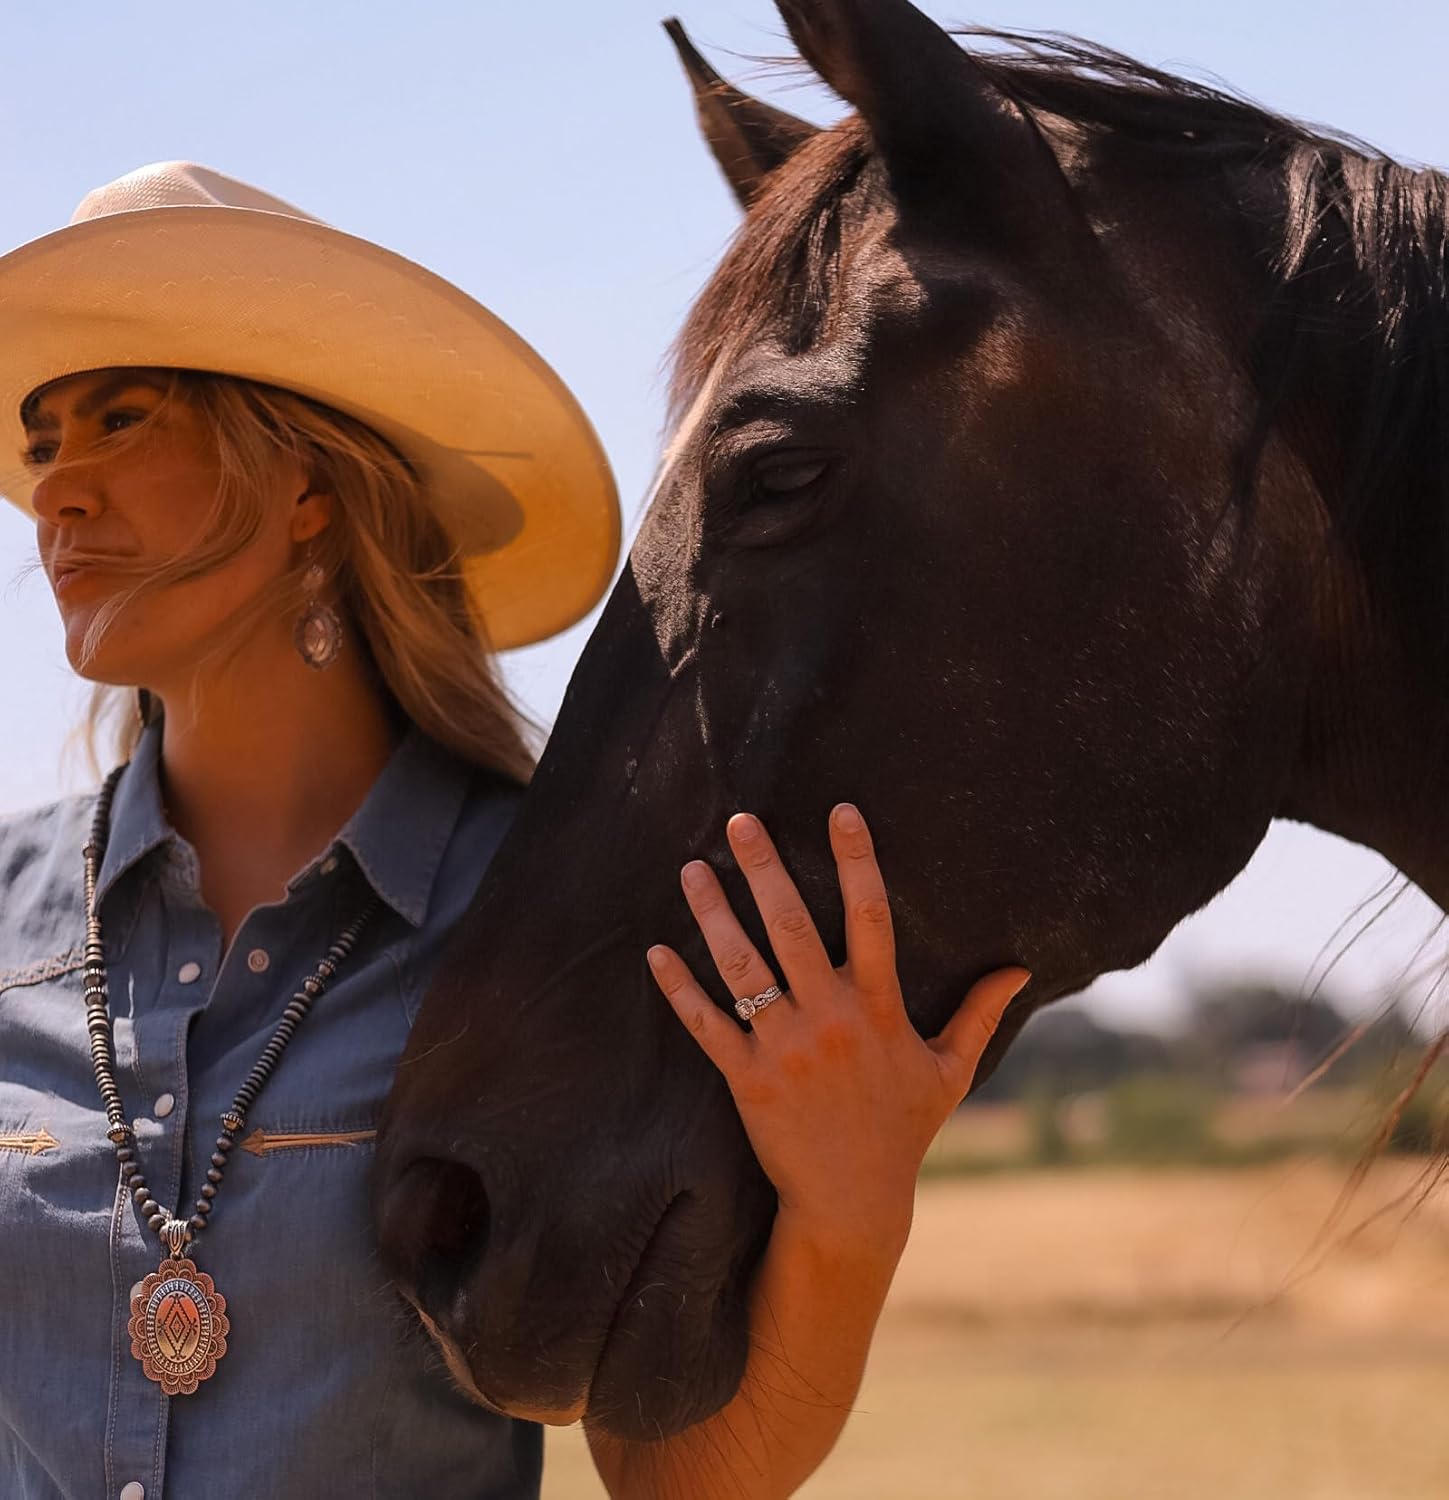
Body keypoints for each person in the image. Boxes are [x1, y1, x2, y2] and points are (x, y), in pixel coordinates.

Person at [0, 162, 1029, 1500]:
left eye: (120, 420)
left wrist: (848, 1206)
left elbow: (678, 1477)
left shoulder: (557, 920)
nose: (55, 494)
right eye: (43, 441)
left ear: (306, 484)